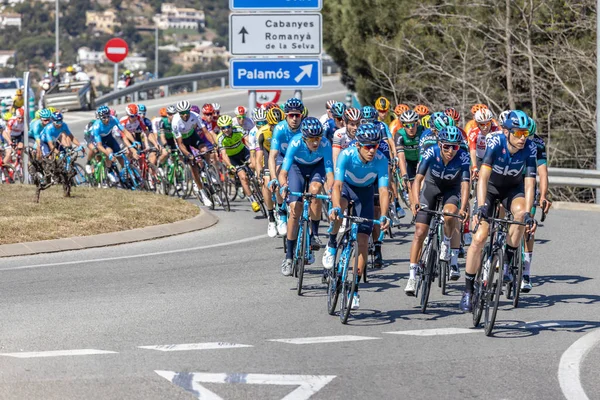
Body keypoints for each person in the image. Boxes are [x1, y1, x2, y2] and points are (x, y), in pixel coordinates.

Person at [460, 110, 538, 312]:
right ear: (507, 132)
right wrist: (481, 207)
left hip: (513, 189)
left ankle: (509, 258)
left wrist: (529, 213)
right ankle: (468, 289)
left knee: (521, 215)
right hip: (491, 190)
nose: (523, 138)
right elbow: (483, 178)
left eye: (526, 133)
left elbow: (530, 183)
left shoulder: (529, 147)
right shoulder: (495, 143)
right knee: (479, 237)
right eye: (518, 133)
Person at [327, 123, 391, 309]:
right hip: (346, 188)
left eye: (375, 145)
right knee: (339, 211)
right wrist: (336, 207)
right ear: (357, 145)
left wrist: (385, 215)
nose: (372, 150)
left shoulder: (380, 159)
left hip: (365, 193)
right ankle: (331, 244)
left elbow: (383, 190)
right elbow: (337, 186)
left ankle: (354, 288)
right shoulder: (346, 155)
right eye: (367, 146)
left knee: (363, 240)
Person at [404, 127, 470, 294]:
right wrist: (415, 202)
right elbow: (417, 180)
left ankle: (446, 243)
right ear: (439, 144)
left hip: (451, 190)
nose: (450, 151)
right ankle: (412, 276)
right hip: (431, 188)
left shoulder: (462, 156)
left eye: (454, 147)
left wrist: (462, 208)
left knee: (449, 215)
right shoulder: (430, 152)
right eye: (446, 146)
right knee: (420, 232)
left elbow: (464, 184)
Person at [278, 117, 334, 276]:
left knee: (315, 191)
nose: (316, 142)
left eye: (318, 138)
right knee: (295, 209)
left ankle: (314, 234)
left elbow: (330, 172)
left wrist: (330, 190)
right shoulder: (295, 143)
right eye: (311, 139)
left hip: (317, 167)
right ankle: (288, 257)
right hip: (297, 168)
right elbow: (283, 171)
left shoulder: (325, 144)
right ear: (304, 138)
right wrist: (284, 186)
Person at [522, 117, 551, 292]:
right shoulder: (510, 140)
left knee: (529, 225)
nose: (525, 139)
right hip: (513, 181)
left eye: (529, 135)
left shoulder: (538, 144)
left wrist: (544, 195)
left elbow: (543, 173)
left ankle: (525, 272)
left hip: (529, 183)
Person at [268, 98, 305, 237]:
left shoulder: (305, 128)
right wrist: (273, 178)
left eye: (297, 115)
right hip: (283, 157)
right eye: (291, 115)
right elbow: (272, 156)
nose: (294, 118)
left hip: (300, 159)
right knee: (277, 179)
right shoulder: (280, 128)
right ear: (286, 115)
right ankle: (281, 212)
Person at [171, 100, 213, 207]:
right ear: (179, 113)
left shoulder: (195, 116)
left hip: (192, 135)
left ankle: (207, 169)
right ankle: (203, 193)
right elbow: (180, 144)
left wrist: (213, 144)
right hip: (183, 141)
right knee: (193, 165)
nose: (184, 115)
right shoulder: (175, 122)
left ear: (189, 110)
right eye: (181, 113)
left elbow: (205, 131)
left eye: (186, 112)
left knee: (205, 149)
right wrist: (189, 155)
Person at [216, 114, 260, 213]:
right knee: (243, 177)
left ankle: (258, 181)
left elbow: (248, 141)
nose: (226, 130)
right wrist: (230, 165)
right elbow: (224, 155)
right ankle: (252, 200)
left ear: (231, 125)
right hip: (232, 157)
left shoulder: (239, 130)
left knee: (253, 164)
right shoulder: (220, 138)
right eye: (223, 128)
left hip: (243, 152)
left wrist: (253, 151)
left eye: (228, 127)